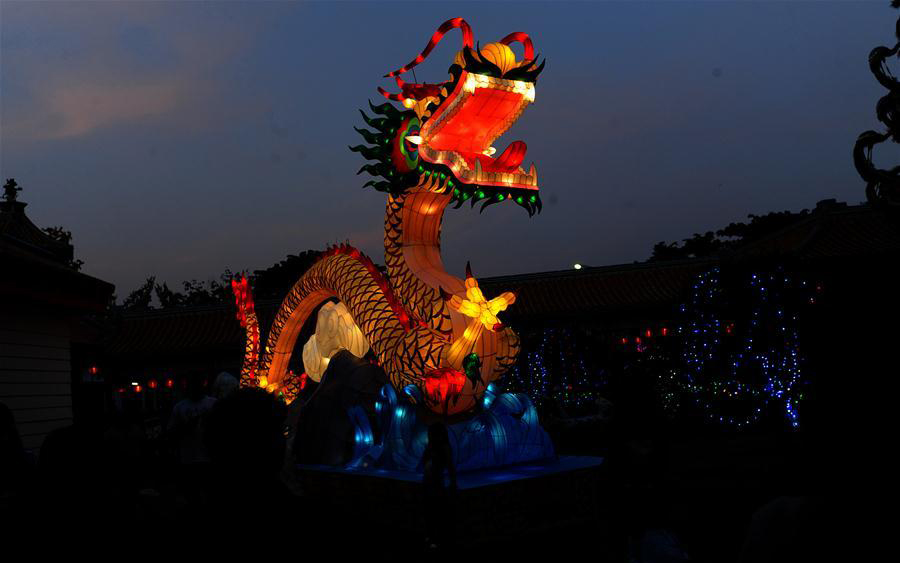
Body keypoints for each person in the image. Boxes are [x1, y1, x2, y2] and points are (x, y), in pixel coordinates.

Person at [421, 422, 457, 550]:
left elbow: (449, 465)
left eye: (431, 433)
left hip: (435, 484)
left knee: (436, 512)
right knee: (431, 512)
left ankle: (436, 539)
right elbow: (423, 463)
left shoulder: (443, 447)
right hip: (429, 483)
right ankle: (432, 537)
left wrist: (453, 482)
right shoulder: (431, 447)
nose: (430, 435)